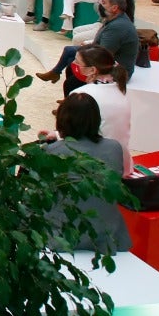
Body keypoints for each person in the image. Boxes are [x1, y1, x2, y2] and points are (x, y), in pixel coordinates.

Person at [38, 94, 131, 254]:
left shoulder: (51, 152)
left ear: (61, 120)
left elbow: (37, 195)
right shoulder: (114, 148)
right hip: (106, 236)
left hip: (60, 237)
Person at [70, 45, 132, 172]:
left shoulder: (82, 95)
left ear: (92, 70)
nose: (74, 64)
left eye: (77, 62)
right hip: (123, 163)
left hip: (97, 167)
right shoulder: (119, 89)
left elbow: (72, 134)